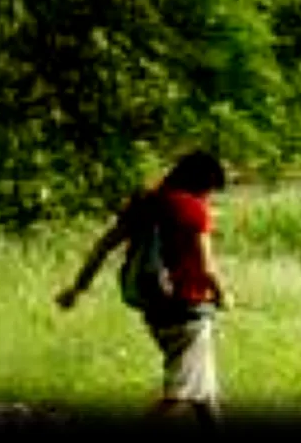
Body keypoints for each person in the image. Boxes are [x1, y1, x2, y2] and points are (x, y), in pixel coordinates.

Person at [55, 150, 229, 426]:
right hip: (188, 312)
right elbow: (207, 269)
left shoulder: (146, 203)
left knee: (205, 395)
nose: (210, 195)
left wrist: (77, 289)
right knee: (180, 396)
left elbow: (103, 247)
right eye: (210, 188)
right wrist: (223, 295)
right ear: (202, 182)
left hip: (154, 309)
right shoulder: (193, 209)